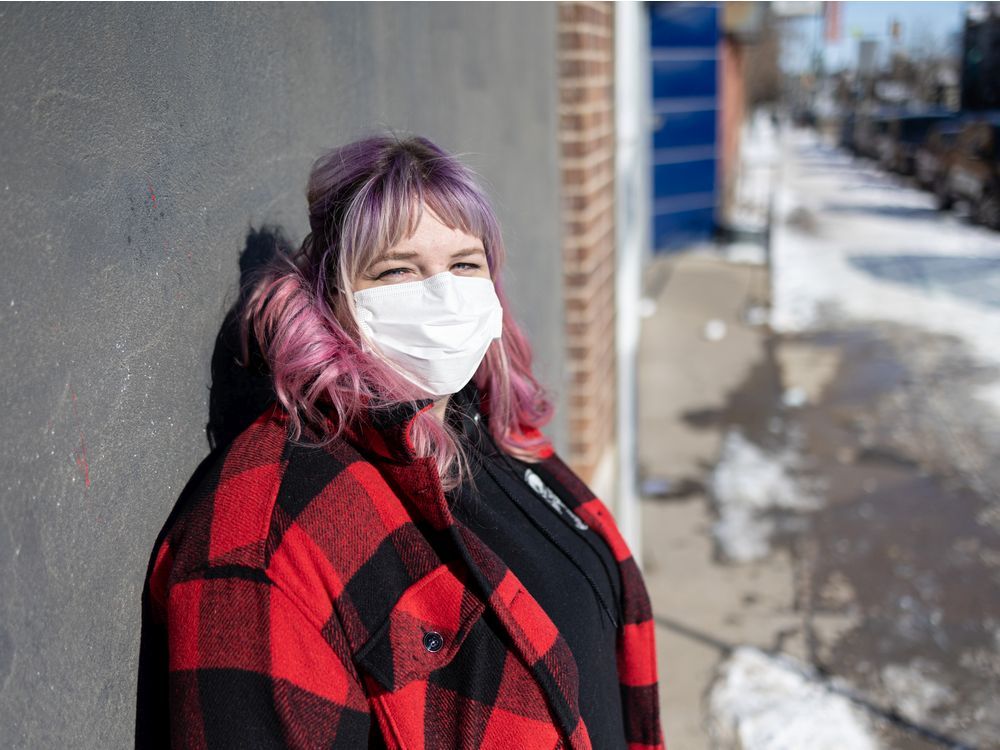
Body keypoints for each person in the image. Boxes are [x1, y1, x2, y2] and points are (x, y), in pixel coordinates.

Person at [139, 135, 665, 749]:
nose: (442, 293)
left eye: (465, 264)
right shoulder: (266, 537)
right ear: (332, 297)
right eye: (397, 270)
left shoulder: (494, 433)